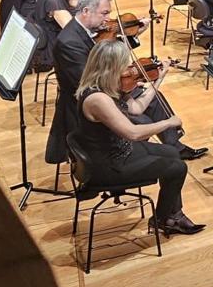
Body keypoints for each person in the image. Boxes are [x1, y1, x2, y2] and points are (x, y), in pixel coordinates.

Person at [51, 0, 200, 165]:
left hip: (105, 87)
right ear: (86, 11)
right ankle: (137, 158)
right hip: (88, 101)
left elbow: (110, 56)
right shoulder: (69, 43)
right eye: (104, 13)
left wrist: (134, 37)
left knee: (154, 98)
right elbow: (88, 80)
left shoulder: (91, 31)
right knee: (142, 118)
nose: (108, 19)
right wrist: (129, 80)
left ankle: (174, 145)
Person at [75, 40, 204, 237]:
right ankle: (163, 219)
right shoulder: (97, 99)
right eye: (125, 65)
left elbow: (137, 108)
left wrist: (158, 80)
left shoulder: (108, 86)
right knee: (178, 168)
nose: (129, 69)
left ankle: (173, 215)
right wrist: (168, 122)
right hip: (109, 164)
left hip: (119, 150)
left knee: (172, 153)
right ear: (111, 67)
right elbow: (133, 133)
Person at [32, 0, 104, 76]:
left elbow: (75, 2)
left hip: (60, 37)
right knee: (104, 50)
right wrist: (96, 25)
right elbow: (72, 30)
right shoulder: (52, 1)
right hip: (56, 47)